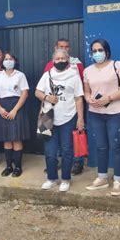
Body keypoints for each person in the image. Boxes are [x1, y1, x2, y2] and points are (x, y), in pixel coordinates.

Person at [84, 39, 120, 197]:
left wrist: (109, 98)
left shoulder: (117, 65)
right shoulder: (88, 70)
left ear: (107, 51)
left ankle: (118, 180)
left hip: (116, 113)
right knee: (101, 147)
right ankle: (102, 178)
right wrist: (88, 98)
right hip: (95, 114)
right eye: (94, 50)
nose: (97, 53)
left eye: (100, 50)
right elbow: (87, 91)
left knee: (117, 147)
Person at [35, 48, 84, 192]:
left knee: (67, 150)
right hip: (47, 117)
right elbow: (37, 92)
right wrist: (47, 97)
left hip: (68, 117)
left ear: (68, 60)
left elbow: (78, 98)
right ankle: (51, 178)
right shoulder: (47, 75)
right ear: (53, 61)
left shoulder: (74, 76)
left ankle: (66, 179)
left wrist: (80, 118)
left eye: (63, 58)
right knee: (50, 151)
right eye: (57, 59)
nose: (60, 61)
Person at [43, 38, 86, 175]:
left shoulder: (77, 65)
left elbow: (80, 89)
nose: (64, 48)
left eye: (66, 46)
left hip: (70, 109)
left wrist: (80, 116)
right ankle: (53, 166)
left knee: (71, 140)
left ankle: (77, 164)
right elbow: (41, 90)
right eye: (61, 46)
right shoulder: (49, 66)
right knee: (50, 144)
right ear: (56, 48)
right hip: (49, 112)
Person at [0, 52, 30, 177]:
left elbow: (24, 93)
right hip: (2, 107)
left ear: (15, 61)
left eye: (10, 59)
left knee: (16, 138)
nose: (8, 61)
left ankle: (18, 167)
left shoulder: (20, 75)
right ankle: (8, 166)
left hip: (16, 107)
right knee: (6, 138)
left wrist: (15, 110)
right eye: (6, 59)